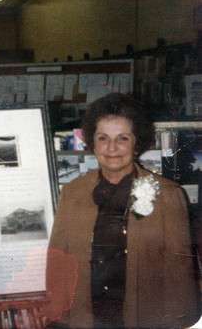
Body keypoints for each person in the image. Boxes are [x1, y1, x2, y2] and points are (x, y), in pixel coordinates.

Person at [45, 93, 200, 328]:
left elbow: (180, 275)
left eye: (123, 138)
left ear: (136, 143)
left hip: (145, 318)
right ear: (92, 143)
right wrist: (59, 318)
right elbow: (59, 263)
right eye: (103, 138)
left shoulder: (168, 195)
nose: (112, 148)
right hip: (86, 318)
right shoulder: (72, 192)